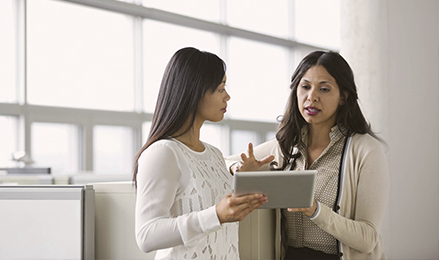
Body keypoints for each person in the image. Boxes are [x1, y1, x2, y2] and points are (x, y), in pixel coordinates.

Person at [227, 51, 390, 260]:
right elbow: (221, 160)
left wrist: (315, 211)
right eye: (305, 87)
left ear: (343, 97)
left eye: (324, 89)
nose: (311, 97)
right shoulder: (285, 147)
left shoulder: (366, 151)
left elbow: (368, 239)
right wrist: (238, 169)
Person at [133, 47, 273, 260]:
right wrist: (215, 215)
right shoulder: (162, 153)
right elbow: (146, 236)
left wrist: (241, 175)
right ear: (195, 91)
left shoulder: (215, 154)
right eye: (220, 88)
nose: (227, 96)